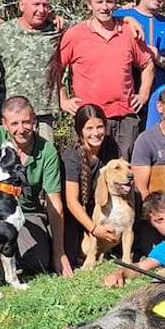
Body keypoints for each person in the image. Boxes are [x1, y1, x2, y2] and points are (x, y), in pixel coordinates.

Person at [0, 97, 71, 277]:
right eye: (14, 123)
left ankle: (3, 259)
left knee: (38, 262)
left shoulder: (47, 151)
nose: (21, 129)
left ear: (34, 120)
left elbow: (55, 205)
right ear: (5, 124)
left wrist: (60, 252)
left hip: (27, 214)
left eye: (26, 122)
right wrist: (2, 183)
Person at [58, 0, 154, 159]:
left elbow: (147, 64)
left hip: (125, 117)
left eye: (109, 2)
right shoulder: (75, 35)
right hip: (90, 118)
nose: (104, 7)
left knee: (123, 172)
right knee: (88, 168)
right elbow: (56, 69)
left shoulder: (128, 32)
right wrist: (63, 100)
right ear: (89, 5)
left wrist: (143, 94)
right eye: (99, 2)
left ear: (115, 4)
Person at [0, 0, 64, 140]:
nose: (41, 10)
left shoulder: (55, 29)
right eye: (36, 4)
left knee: (46, 160)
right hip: (13, 114)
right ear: (21, 5)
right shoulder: (3, 31)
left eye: (45, 5)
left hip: (43, 113)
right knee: (12, 161)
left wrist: (126, 15)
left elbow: (94, 22)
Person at [61, 104, 122, 265]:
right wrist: (94, 229)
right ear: (80, 131)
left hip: (100, 210)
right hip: (74, 217)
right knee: (77, 254)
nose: (96, 133)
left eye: (100, 127)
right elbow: (71, 201)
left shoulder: (110, 147)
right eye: (89, 128)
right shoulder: (71, 156)